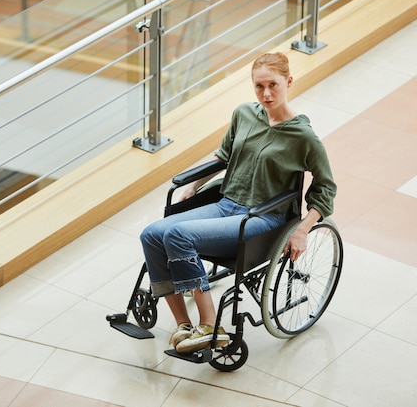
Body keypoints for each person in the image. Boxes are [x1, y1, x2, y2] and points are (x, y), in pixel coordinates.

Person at [139, 52, 336, 354]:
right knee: (152, 234)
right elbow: (224, 156)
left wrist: (302, 229)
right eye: (259, 86)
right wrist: (194, 186)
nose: (266, 93)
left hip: (263, 218)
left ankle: (209, 325)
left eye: (273, 85)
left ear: (289, 82)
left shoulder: (304, 137)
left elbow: (325, 188)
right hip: (226, 203)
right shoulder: (244, 114)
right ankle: (183, 324)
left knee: (177, 236)